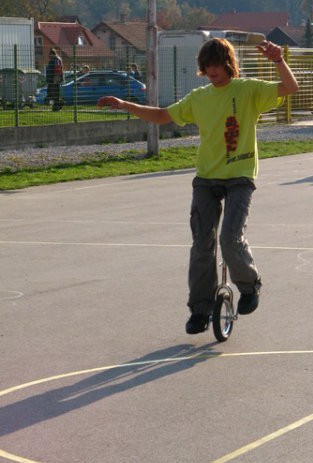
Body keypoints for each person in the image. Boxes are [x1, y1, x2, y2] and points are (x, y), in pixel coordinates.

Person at [98, 39, 298, 334]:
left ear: (228, 64)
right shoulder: (199, 97)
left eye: (217, 64)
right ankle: (200, 310)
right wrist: (125, 105)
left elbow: (289, 88)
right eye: (207, 66)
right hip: (206, 178)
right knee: (202, 246)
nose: (212, 70)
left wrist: (279, 61)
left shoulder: (248, 90)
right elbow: (163, 115)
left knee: (229, 239)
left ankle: (250, 286)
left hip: (240, 177)